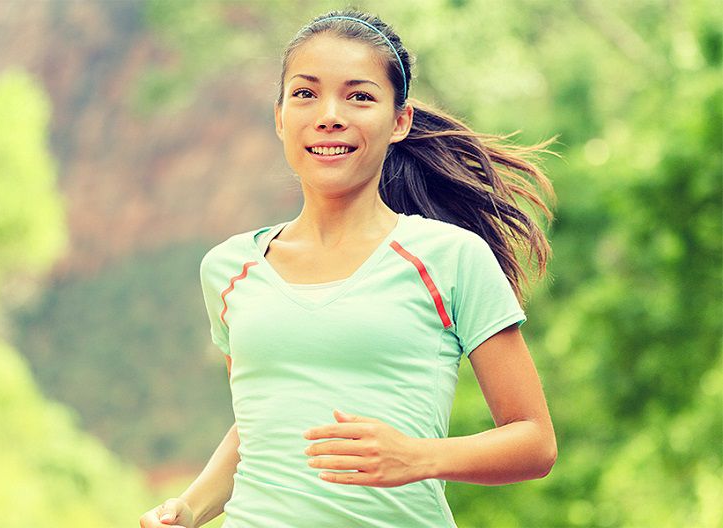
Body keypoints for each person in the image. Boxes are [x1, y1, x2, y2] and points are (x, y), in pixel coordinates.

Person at [141, 8, 557, 528]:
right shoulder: (229, 268)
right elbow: (260, 425)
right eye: (305, 93)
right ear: (279, 116)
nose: (329, 114)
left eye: (359, 96)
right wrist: (189, 508)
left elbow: (534, 441)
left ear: (399, 121)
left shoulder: (450, 258)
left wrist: (417, 457)